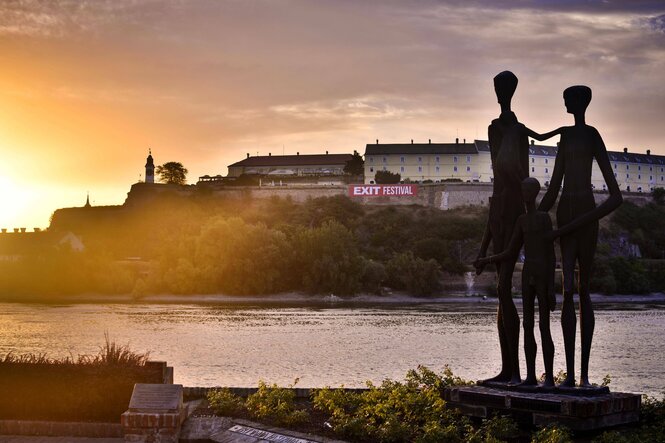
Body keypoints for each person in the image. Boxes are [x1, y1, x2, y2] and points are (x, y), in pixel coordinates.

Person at [537, 85, 623, 387]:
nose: (564, 102)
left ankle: (583, 377)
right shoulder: (565, 139)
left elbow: (616, 197)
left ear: (580, 101)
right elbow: (552, 189)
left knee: (583, 290)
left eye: (568, 98)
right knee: (569, 292)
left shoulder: (591, 135)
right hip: (566, 215)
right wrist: (532, 216)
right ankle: (570, 377)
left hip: (584, 214)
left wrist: (580, 222)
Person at [475, 177, 556, 387]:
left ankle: (549, 379)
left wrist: (551, 288)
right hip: (528, 272)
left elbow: (551, 254)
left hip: (541, 273)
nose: (525, 194)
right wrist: (486, 259)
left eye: (528, 190)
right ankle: (530, 377)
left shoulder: (544, 218)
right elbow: (511, 251)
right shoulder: (522, 220)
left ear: (536, 192)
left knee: (544, 325)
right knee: (528, 324)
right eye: (523, 190)